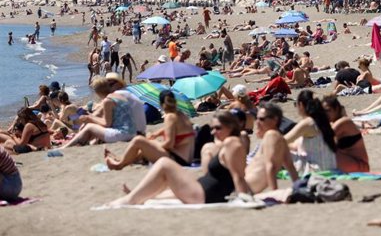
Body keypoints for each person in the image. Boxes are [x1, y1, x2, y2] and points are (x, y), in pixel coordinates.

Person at [106, 111, 251, 206]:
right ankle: (137, 196)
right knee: (160, 195)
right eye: (212, 128)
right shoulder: (231, 142)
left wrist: (244, 197)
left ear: (230, 127)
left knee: (164, 164)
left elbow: (238, 175)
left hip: (204, 195)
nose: (213, 132)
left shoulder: (232, 143)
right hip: (203, 191)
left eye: (218, 128)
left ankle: (130, 200)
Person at [105, 91, 195, 170]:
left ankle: (119, 164)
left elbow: (169, 144)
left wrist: (153, 143)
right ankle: (124, 159)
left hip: (177, 160)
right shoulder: (181, 115)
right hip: (185, 158)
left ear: (160, 104)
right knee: (149, 141)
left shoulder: (170, 117)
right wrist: (157, 134)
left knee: (138, 140)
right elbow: (177, 130)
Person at [62, 77, 136, 147]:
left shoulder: (107, 101)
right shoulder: (116, 97)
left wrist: (89, 117)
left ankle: (66, 147)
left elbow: (106, 123)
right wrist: (90, 117)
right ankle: (81, 142)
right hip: (131, 131)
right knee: (89, 126)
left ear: (97, 92)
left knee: (89, 126)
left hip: (124, 133)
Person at [285, 90, 339, 173]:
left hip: (314, 168)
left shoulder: (307, 123)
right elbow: (295, 146)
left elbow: (281, 140)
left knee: (274, 147)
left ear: (301, 105)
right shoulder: (322, 121)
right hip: (329, 166)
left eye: (296, 104)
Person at [322, 95, 370, 173]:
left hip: (360, 165)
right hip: (350, 162)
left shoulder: (345, 122)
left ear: (336, 109)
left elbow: (324, 137)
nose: (325, 114)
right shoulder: (333, 123)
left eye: (328, 110)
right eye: (323, 111)